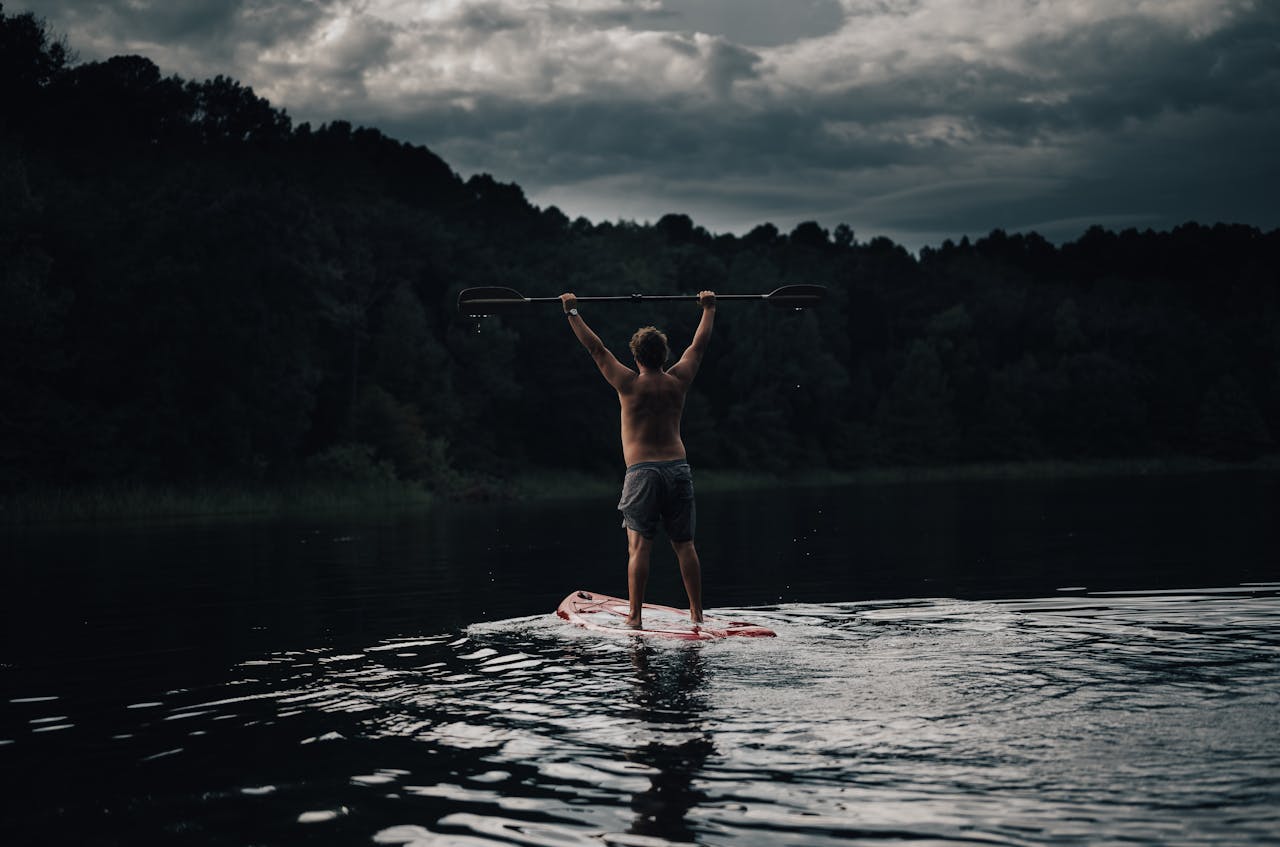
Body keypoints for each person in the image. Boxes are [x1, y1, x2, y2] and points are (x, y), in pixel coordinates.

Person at [560, 290, 716, 629]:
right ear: (664, 355)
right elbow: (699, 346)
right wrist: (709, 308)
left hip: (642, 473)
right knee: (685, 545)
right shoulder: (678, 380)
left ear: (635, 356)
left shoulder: (627, 384)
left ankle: (635, 617)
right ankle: (697, 615)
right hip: (677, 469)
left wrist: (572, 313)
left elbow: (596, 349)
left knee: (639, 548)